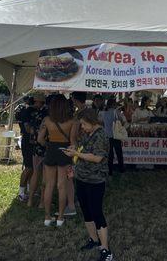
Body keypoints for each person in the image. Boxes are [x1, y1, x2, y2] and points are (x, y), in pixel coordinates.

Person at [62, 109, 113, 261]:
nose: (82, 127)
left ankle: (106, 249)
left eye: (84, 124)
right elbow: (82, 149)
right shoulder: (87, 134)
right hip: (82, 178)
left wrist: (76, 154)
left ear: (92, 121)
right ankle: (93, 240)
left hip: (95, 180)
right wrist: (74, 150)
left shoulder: (101, 135)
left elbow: (97, 158)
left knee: (96, 212)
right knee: (86, 211)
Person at [38, 94, 78, 226]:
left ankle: (47, 217)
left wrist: (48, 145)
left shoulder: (47, 120)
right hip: (65, 152)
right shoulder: (73, 121)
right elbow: (73, 142)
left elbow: (40, 139)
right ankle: (60, 217)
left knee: (49, 185)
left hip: (51, 150)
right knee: (62, 186)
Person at [26, 94, 48, 208]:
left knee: (35, 172)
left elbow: (29, 129)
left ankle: (30, 200)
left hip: (36, 146)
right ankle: (42, 202)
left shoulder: (34, 113)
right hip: (46, 146)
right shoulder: (48, 115)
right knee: (45, 174)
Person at [99, 98, 126, 175]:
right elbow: (122, 121)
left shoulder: (104, 113)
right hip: (115, 134)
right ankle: (121, 168)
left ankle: (110, 170)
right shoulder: (116, 112)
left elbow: (101, 123)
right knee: (119, 153)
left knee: (110, 154)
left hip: (107, 134)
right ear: (113, 105)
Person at [15, 96, 34, 201]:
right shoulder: (26, 111)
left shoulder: (23, 110)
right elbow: (27, 129)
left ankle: (28, 189)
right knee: (28, 168)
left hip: (28, 141)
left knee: (32, 168)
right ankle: (21, 192)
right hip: (27, 142)